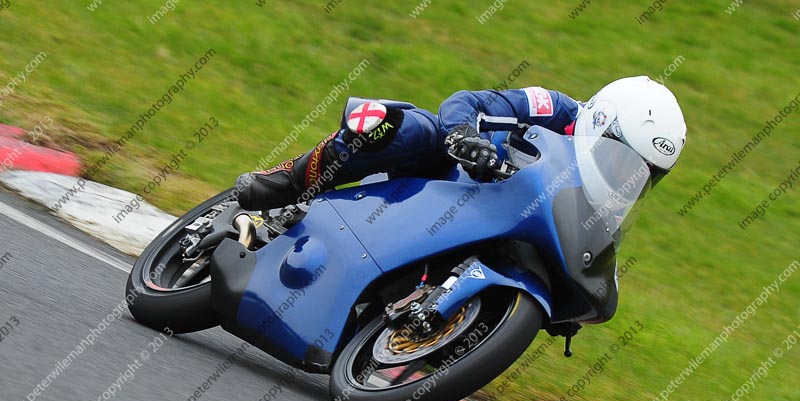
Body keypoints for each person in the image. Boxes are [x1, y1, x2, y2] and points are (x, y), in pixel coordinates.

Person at [235, 76, 686, 211]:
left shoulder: (602, 203)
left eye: (643, 174)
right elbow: (469, 100)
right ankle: (289, 180)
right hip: (451, 173)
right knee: (415, 131)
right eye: (623, 158)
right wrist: (463, 136)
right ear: (602, 121)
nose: (625, 176)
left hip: (498, 216)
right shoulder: (557, 108)